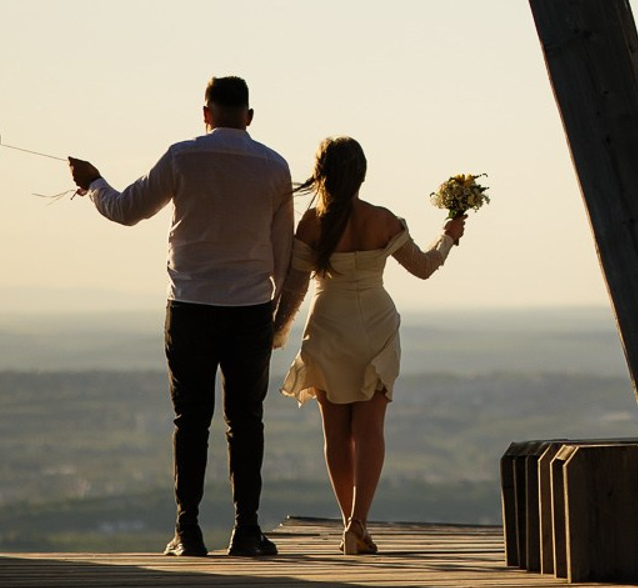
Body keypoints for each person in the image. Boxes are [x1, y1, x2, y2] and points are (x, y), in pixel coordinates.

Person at [68, 76, 293, 558]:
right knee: (246, 422)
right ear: (250, 116)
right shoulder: (275, 167)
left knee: (190, 421)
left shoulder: (182, 157)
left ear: (205, 113)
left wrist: (94, 183)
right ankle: (246, 530)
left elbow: (126, 210)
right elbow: (283, 254)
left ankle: (187, 531)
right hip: (250, 309)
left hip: (190, 306)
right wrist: (273, 315)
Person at [272, 137, 467, 554]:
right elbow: (424, 267)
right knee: (370, 429)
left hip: (327, 328)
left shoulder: (312, 224)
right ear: (361, 174)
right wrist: (448, 236)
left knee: (335, 433)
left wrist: (275, 331)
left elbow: (294, 289)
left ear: (322, 175)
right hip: (375, 328)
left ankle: (348, 520)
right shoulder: (382, 220)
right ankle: (358, 523)